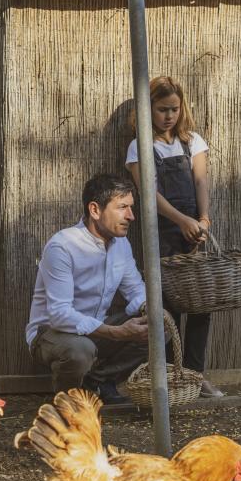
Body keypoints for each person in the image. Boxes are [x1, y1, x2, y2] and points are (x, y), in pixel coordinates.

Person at [124, 76, 222, 397]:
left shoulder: (192, 141)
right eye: (162, 109)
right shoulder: (140, 146)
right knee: (168, 307)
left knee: (199, 305)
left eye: (174, 109)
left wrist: (202, 219)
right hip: (162, 233)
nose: (169, 116)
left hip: (194, 232)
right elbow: (149, 194)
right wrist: (180, 220)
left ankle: (196, 376)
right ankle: (168, 378)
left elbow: (201, 182)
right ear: (147, 108)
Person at [25, 173, 151, 407]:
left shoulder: (121, 244)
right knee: (80, 351)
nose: (131, 216)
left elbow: (135, 289)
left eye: (131, 207)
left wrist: (148, 309)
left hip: (96, 327)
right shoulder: (62, 246)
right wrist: (116, 332)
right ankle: (66, 406)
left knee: (157, 326)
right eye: (122, 207)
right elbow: (60, 314)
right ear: (95, 210)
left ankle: (98, 382)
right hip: (51, 333)